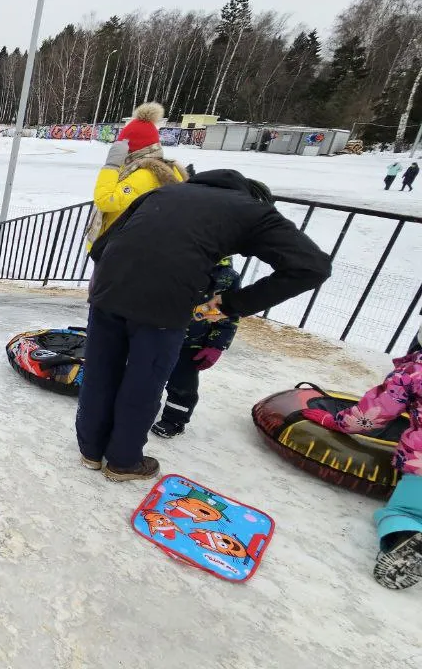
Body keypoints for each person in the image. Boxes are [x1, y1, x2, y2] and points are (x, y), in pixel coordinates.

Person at [79, 169, 332, 481]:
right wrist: (230, 305)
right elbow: (312, 267)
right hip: (165, 305)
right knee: (143, 382)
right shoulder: (252, 210)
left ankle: (90, 451)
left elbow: (102, 247)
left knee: (101, 373)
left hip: (108, 291)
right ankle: (123, 461)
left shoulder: (163, 193)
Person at [301, 342, 422, 590]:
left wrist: (337, 422)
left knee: (406, 513)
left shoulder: (414, 371)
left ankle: (406, 539)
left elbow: (377, 412)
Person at [151, 258, 242, 438]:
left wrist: (216, 345)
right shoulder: (178, 258)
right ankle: (135, 408)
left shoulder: (227, 277)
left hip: (193, 342)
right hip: (159, 334)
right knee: (146, 373)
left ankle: (174, 419)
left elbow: (229, 314)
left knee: (182, 384)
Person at [86, 102, 188, 246]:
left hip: (118, 247)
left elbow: (105, 200)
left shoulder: (145, 175)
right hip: (133, 243)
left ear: (131, 148)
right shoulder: (162, 168)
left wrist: (111, 166)